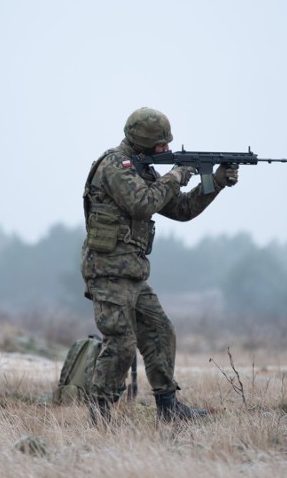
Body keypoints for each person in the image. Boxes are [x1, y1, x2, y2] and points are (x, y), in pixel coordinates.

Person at [81, 107, 239, 425]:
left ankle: (169, 408)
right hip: (109, 272)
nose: (166, 150)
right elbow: (142, 204)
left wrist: (216, 182)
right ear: (143, 142)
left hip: (133, 272)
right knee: (121, 343)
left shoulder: (144, 170)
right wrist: (176, 174)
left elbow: (181, 209)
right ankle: (99, 415)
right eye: (161, 145)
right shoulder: (116, 165)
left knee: (160, 332)